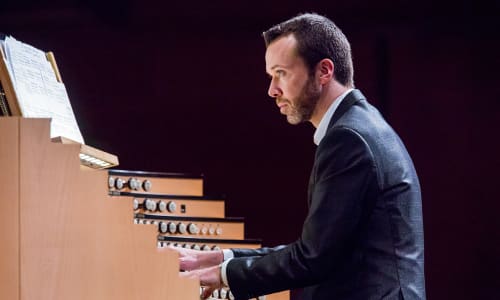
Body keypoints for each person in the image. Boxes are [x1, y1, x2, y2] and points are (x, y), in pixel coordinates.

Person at [168, 13, 426, 300]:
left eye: (282, 73)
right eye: (270, 76)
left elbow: (312, 258)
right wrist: (220, 258)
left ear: (324, 71)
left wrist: (223, 274)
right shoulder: (362, 125)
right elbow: (324, 248)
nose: (272, 90)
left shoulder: (349, 138)